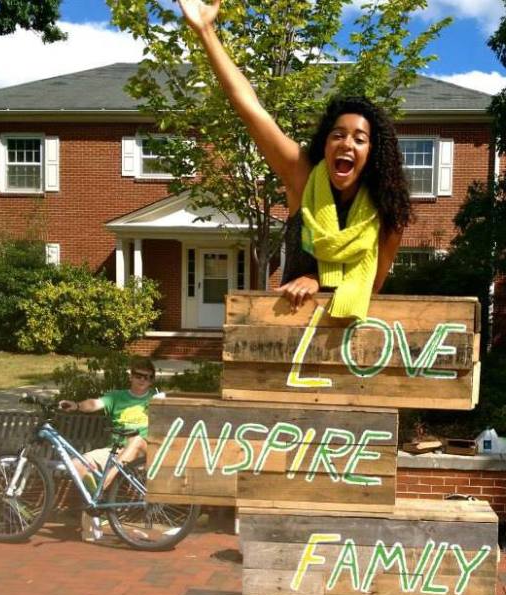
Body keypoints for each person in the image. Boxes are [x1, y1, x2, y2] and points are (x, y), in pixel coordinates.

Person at [178, 0, 412, 320]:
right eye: (337, 135)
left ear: (373, 153)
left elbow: (372, 291)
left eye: (359, 139)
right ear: (325, 143)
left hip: (339, 343)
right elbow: (250, 108)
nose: (346, 143)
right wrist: (205, 31)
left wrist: (317, 280)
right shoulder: (303, 178)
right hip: (285, 330)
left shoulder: (388, 215)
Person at [58, 357, 157, 493]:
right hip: (116, 451)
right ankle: (95, 506)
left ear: (151, 381)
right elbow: (94, 404)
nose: (142, 380)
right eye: (138, 375)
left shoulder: (156, 399)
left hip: (143, 452)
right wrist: (77, 405)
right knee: (77, 464)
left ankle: (103, 485)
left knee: (136, 440)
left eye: (147, 377)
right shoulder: (116, 397)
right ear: (131, 377)